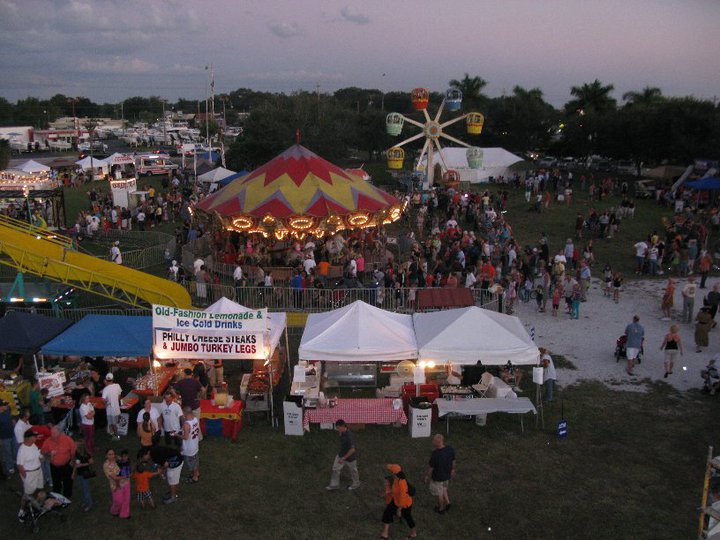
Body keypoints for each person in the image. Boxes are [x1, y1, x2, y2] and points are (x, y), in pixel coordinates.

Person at [380, 464, 417, 540]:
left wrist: (399, 509)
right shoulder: (396, 479)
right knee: (387, 513)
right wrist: (387, 493)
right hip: (396, 500)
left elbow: (402, 497)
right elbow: (395, 491)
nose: (390, 471)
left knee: (408, 517)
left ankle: (413, 533)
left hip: (405, 504)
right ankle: (385, 534)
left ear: (394, 473)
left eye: (391, 470)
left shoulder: (402, 483)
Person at [41, 424, 76, 498]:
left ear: (59, 433)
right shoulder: (48, 441)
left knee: (68, 481)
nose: (52, 435)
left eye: (54, 433)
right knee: (56, 482)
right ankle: (57, 496)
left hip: (66, 465)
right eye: (51, 433)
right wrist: (49, 454)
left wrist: (72, 461)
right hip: (54, 467)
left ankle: (67, 496)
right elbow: (42, 452)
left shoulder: (67, 440)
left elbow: (73, 452)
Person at [424, 433, 456, 514]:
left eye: (434, 441)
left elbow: (431, 467)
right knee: (444, 488)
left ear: (438, 442)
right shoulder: (450, 449)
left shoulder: (435, 454)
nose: (432, 442)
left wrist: (427, 476)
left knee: (439, 493)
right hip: (447, 475)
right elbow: (453, 460)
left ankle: (441, 509)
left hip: (438, 477)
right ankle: (448, 503)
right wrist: (452, 470)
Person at [16, 430, 44, 521]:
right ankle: (22, 510)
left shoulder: (34, 445)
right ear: (28, 438)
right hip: (30, 474)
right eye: (34, 436)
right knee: (27, 494)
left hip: (38, 471)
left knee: (39, 489)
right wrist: (26, 477)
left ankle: (35, 506)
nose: (36, 437)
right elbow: (19, 466)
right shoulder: (22, 450)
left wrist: (41, 459)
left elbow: (38, 456)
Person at [325, 419, 360, 491]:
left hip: (350, 458)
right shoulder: (342, 432)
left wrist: (344, 458)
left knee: (353, 471)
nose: (337, 430)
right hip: (341, 455)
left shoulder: (349, 436)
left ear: (343, 426)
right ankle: (334, 485)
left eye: (338, 428)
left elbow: (353, 450)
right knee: (335, 469)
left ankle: (356, 483)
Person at [103, 448, 130, 519]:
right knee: (118, 501)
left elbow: (126, 462)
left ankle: (124, 514)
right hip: (116, 485)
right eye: (109, 454)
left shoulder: (118, 459)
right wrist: (126, 476)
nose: (112, 456)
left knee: (126, 499)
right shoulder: (106, 465)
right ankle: (114, 511)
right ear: (106, 456)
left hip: (126, 482)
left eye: (113, 454)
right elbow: (114, 478)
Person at [72, 438, 94, 512]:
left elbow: (91, 462)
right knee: (82, 489)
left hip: (85, 473)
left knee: (86, 489)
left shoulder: (86, 454)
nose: (74, 446)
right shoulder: (76, 453)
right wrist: (73, 473)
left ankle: (89, 504)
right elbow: (75, 464)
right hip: (79, 474)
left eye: (75, 445)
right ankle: (85, 502)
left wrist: (82, 464)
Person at [181, 405, 200, 484]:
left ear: (185, 413)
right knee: (195, 460)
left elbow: (185, 437)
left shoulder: (186, 424)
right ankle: (197, 473)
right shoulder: (195, 419)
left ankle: (195, 477)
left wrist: (176, 435)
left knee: (192, 464)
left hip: (189, 447)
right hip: (195, 444)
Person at [101, 373, 122, 439]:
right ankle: (114, 434)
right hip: (117, 408)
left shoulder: (105, 389)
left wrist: (106, 404)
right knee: (115, 423)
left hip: (110, 409)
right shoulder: (117, 386)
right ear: (112, 379)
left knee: (111, 423)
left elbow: (103, 399)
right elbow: (119, 395)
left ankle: (115, 435)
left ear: (106, 380)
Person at [0, 400, 15, 477]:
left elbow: (11, 419)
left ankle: (13, 463)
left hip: (12, 435)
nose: (7, 406)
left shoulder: (7, 411)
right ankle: (10, 467)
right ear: (1, 407)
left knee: (13, 450)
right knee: (7, 453)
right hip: (4, 438)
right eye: (5, 405)